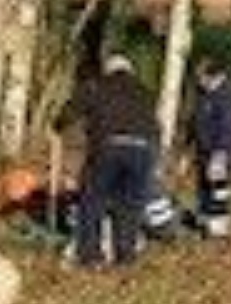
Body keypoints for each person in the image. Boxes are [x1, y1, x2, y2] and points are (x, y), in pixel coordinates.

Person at [55, 54, 158, 268]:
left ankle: (91, 257)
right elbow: (156, 126)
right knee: (129, 205)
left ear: (108, 70)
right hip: (142, 149)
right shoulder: (145, 91)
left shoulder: (96, 86)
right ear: (130, 71)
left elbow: (69, 112)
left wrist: (57, 125)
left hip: (109, 146)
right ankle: (126, 257)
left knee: (93, 200)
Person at [190, 55, 231, 238]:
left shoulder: (227, 96)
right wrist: (189, 147)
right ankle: (206, 223)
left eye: (201, 76)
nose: (199, 81)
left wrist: (220, 155)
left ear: (214, 75)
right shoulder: (203, 94)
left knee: (219, 190)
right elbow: (195, 122)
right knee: (204, 188)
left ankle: (219, 228)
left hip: (221, 152)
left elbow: (228, 127)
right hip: (204, 151)